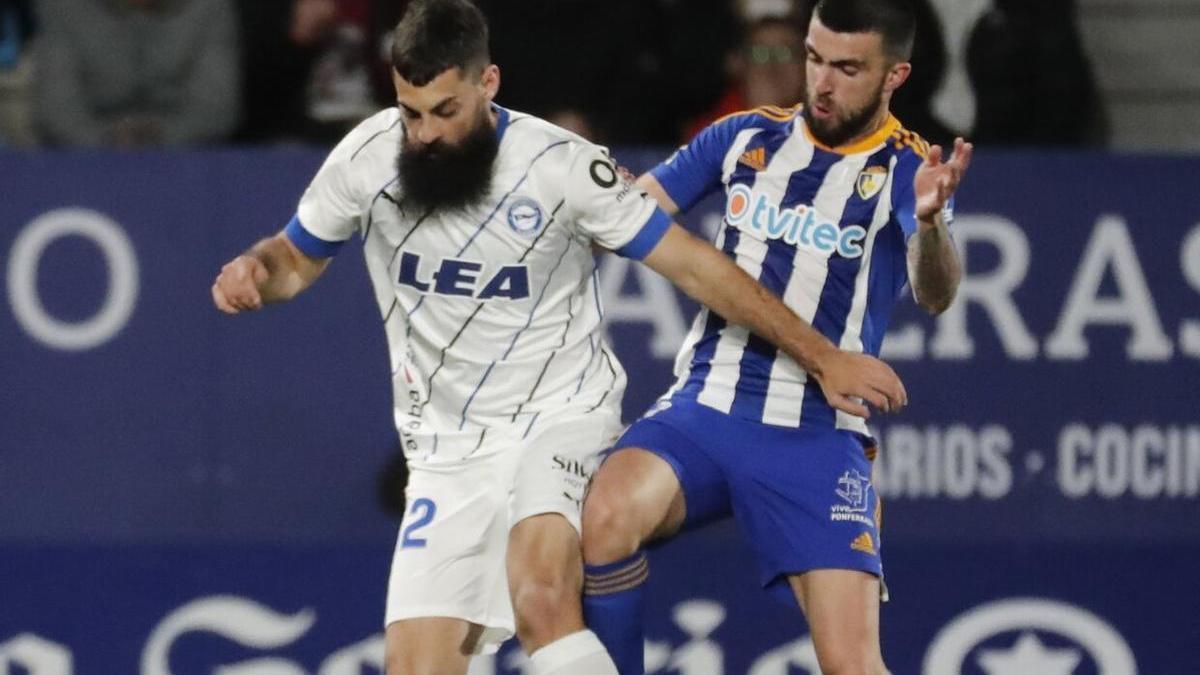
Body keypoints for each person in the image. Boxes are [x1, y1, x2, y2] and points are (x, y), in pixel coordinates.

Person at [211, 1, 906, 673]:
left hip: (559, 417)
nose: (425, 134)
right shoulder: (368, 158)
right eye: (411, 112)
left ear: (488, 84)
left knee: (541, 591)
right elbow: (294, 258)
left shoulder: (561, 166)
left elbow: (698, 268)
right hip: (446, 450)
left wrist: (823, 357)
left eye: (445, 112)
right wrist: (255, 269)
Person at [578, 1, 971, 673]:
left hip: (814, 435)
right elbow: (629, 216)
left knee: (851, 660)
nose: (821, 82)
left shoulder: (908, 168)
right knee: (605, 517)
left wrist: (933, 226)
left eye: (848, 68)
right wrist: (585, 192)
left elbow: (936, 294)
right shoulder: (742, 136)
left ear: (894, 74)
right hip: (705, 407)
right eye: (815, 58)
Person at [34, 0, 240, 147]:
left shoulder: (210, 6)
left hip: (188, 159)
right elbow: (57, 109)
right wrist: (108, 141)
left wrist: (160, 140)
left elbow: (215, 108)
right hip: (86, 161)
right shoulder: (61, 6)